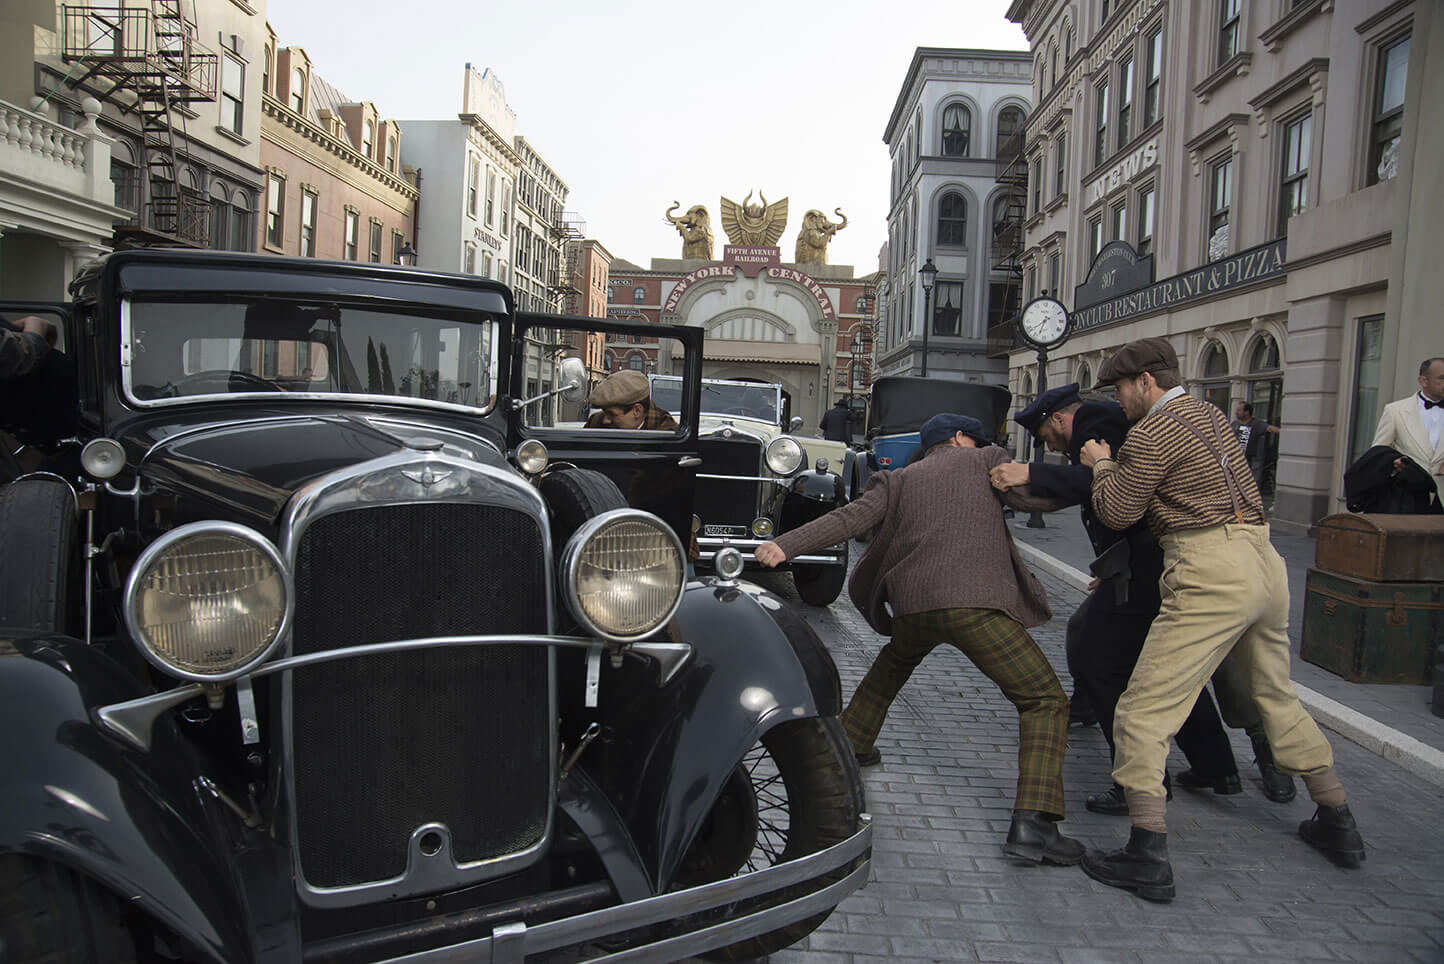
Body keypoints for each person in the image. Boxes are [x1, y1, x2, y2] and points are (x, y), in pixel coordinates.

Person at [1078, 337, 1364, 902]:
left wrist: (1102, 462)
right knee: (1274, 696)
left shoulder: (1153, 430)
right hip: (1263, 562)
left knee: (1143, 709)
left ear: (1146, 382)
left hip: (1208, 567)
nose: (1118, 400)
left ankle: (1147, 853)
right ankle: (1338, 821)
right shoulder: (1209, 414)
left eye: (1120, 389)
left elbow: (1117, 509)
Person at [755, 413, 1086, 867]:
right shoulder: (988, 460)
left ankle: (851, 744)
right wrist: (1096, 478)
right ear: (960, 438)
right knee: (1044, 700)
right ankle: (1035, 824)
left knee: (894, 663)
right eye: (978, 437)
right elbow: (1038, 497)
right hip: (975, 604)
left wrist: (785, 544)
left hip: (914, 604)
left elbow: (850, 518)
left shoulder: (899, 479)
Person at [990, 384, 1241, 816]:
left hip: (1147, 565)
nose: (1051, 447)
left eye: (1048, 437)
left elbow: (1114, 483)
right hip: (1140, 564)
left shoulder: (1098, 425)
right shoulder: (1099, 425)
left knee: (1101, 660)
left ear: (1059, 420)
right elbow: (1089, 491)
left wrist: (1029, 472)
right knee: (1163, 664)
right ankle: (1216, 767)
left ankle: (1138, 783)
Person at [1370, 356, 1444, 508]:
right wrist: (1395, 462)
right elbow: (1378, 452)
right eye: (1442, 378)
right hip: (1406, 497)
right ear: (1423, 381)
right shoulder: (1395, 411)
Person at [583, 370, 678, 430]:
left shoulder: (667, 431)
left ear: (637, 410)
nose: (605, 420)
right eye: (604, 412)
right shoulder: (595, 422)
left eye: (611, 414)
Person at [1230, 401, 1280, 491]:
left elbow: (1271, 428)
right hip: (1236, 461)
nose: (1236, 412)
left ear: (1247, 412)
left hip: (1252, 461)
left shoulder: (1256, 424)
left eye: (1239, 410)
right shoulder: (1235, 424)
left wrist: (1289, 432)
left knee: (1251, 483)